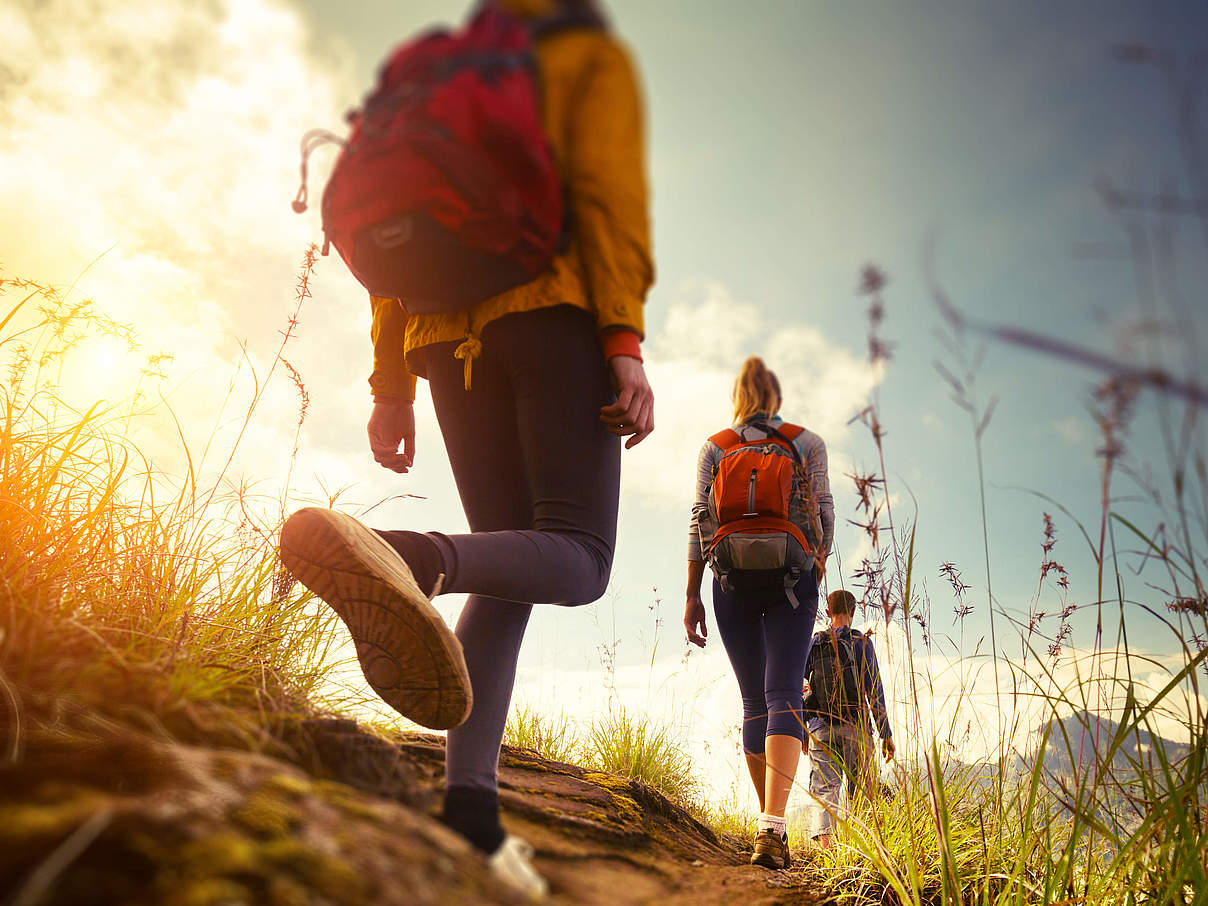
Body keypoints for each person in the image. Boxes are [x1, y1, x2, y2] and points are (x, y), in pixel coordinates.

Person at [280, 0, 653, 898]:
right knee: (581, 556)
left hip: (443, 342)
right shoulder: (581, 56)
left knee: (511, 565)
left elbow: (395, 249)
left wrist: (390, 386)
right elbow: (607, 197)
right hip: (550, 320)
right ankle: (411, 559)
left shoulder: (435, 64)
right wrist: (624, 344)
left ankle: (471, 815)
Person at [683, 356, 834, 870]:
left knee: (754, 702)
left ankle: (768, 824)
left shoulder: (716, 447)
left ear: (737, 397)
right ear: (777, 397)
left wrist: (692, 593)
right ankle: (773, 824)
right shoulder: (805, 442)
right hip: (793, 580)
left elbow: (699, 521)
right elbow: (824, 514)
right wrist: (813, 568)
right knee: (784, 693)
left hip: (729, 583)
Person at [803, 588, 895, 849]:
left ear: (828, 611)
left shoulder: (812, 643)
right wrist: (885, 733)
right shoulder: (862, 642)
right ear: (853, 612)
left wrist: (802, 731)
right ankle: (861, 850)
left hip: (820, 728)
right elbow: (874, 688)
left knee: (824, 789)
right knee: (862, 790)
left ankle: (827, 851)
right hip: (857, 727)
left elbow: (801, 686)